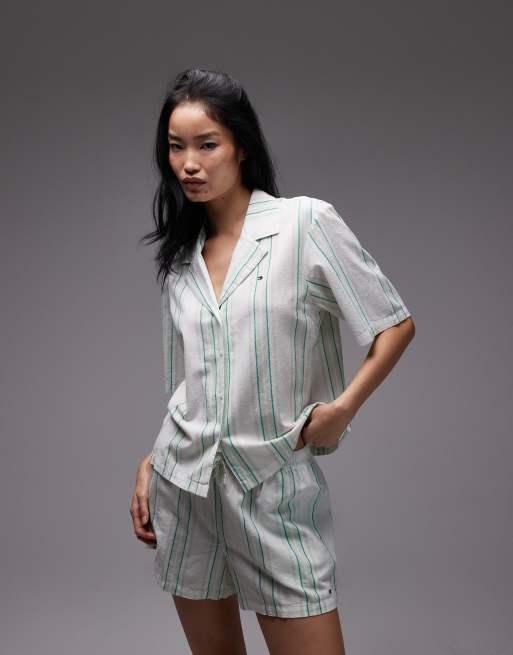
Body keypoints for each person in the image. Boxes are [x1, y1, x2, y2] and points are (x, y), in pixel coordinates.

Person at [130, 67, 415, 655]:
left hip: (273, 489)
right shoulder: (181, 258)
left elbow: (394, 323)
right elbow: (190, 385)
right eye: (176, 147)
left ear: (241, 145)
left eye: (207, 144)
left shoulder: (304, 224)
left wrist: (342, 409)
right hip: (184, 490)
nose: (189, 163)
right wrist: (152, 459)